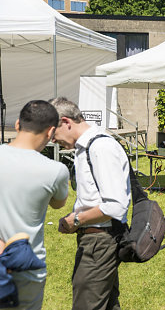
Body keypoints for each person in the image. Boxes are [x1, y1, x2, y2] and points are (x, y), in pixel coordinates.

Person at [49, 97, 130, 310]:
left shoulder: (100, 146)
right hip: (96, 240)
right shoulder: (87, 147)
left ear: (66, 122)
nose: (53, 141)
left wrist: (75, 219)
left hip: (99, 242)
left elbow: (115, 205)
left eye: (53, 134)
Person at [0, 100, 69, 309]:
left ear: (18, 124)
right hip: (28, 266)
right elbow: (58, 204)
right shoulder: (56, 171)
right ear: (50, 133)